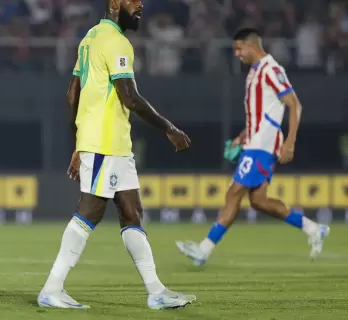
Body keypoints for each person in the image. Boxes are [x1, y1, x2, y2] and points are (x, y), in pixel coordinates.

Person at [37, 0, 195, 310]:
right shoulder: (115, 41)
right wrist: (169, 128)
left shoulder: (90, 37)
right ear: (114, 4)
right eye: (133, 1)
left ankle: (156, 291)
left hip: (113, 144)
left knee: (131, 212)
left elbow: (72, 93)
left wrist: (77, 142)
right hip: (105, 142)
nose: (140, 6)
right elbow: (129, 95)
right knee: (90, 211)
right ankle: (51, 288)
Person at [176, 28, 330, 266]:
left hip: (263, 145)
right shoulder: (253, 73)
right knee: (259, 201)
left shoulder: (272, 70)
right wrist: (242, 135)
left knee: (234, 192)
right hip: (255, 141)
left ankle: (204, 250)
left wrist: (290, 142)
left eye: (239, 48)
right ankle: (313, 228)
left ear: (252, 46)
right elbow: (261, 113)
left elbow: (294, 105)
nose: (237, 54)